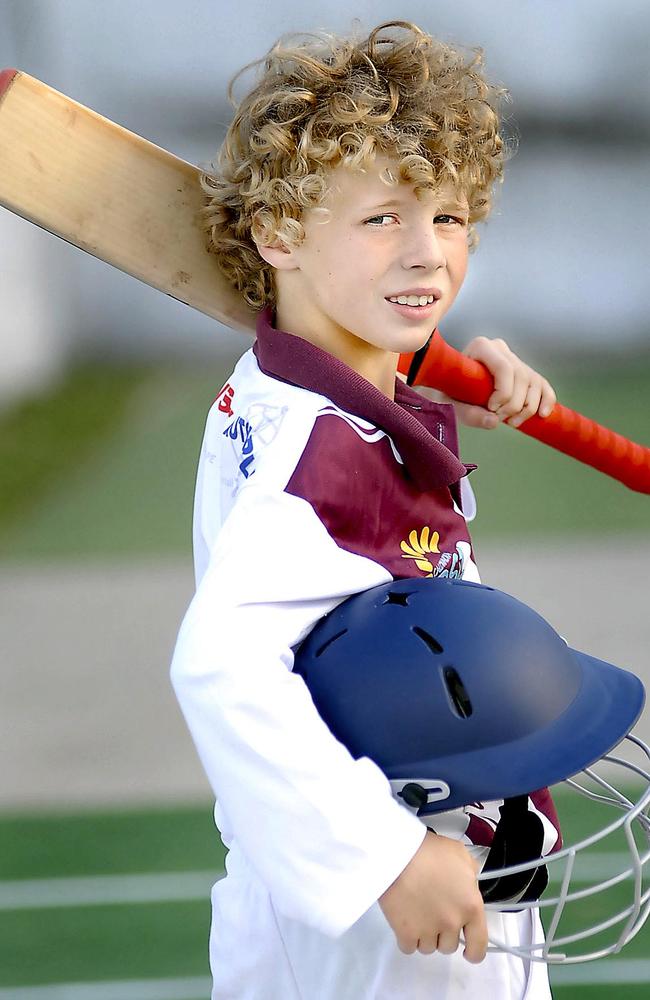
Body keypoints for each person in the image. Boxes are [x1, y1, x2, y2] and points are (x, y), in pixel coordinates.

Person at [170, 19, 558, 999]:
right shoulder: (322, 458)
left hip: (381, 898)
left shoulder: (291, 389)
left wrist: (430, 387)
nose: (425, 255)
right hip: (372, 927)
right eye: (382, 218)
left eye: (449, 217)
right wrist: (382, 857)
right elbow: (222, 667)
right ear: (277, 234)